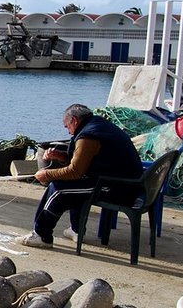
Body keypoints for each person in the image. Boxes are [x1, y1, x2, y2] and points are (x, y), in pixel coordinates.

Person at [19, 103, 144, 248]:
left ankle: (42, 235)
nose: (68, 132)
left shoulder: (88, 136)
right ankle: (76, 230)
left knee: (58, 189)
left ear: (74, 121)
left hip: (119, 189)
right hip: (124, 182)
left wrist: (47, 174)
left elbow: (75, 171)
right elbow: (87, 161)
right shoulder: (97, 125)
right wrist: (60, 156)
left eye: (67, 126)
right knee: (75, 185)